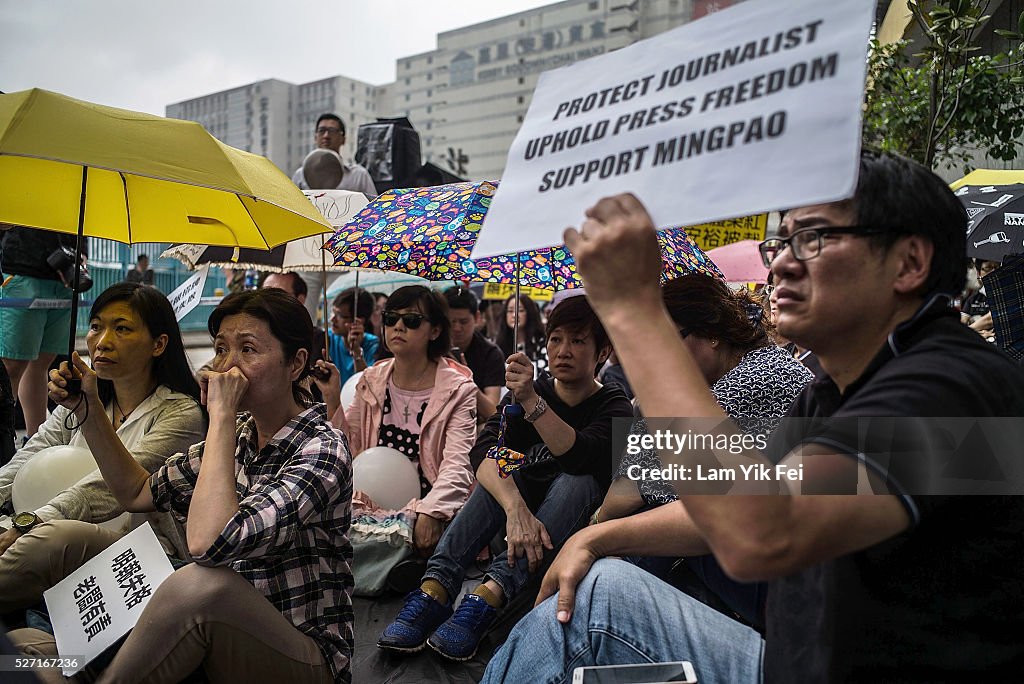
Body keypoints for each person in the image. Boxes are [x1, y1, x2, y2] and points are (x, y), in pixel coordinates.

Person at [483, 151, 1024, 682]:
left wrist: (634, 310)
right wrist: (595, 538)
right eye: (782, 241)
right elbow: (733, 500)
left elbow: (763, 530)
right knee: (595, 587)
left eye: (813, 238)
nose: (783, 263)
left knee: (591, 606)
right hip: (789, 659)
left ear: (908, 263)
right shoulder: (833, 393)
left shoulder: (960, 387)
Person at [14, 288, 355, 683]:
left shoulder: (323, 450)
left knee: (201, 582)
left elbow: (208, 546)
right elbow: (137, 492)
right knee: (63, 539)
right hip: (213, 624)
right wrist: (87, 411)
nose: (227, 367)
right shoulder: (243, 435)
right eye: (222, 349)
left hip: (300, 652)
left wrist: (222, 416)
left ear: (296, 364)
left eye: (248, 350)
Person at [377, 294, 632, 662]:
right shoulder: (532, 391)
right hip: (513, 528)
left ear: (602, 352)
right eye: (556, 338)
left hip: (569, 535)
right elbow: (482, 451)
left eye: (578, 341)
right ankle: (434, 589)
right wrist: (515, 509)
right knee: (499, 471)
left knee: (577, 481)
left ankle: (488, 597)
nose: (564, 350)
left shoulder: (615, 404)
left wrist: (531, 402)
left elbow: (579, 457)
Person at [595, 273, 813, 627]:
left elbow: (633, 487)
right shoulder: (762, 364)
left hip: (786, 587)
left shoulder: (749, 382)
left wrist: (593, 532)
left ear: (712, 334)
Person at [0, 283, 205, 614]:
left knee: (52, 538)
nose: (102, 341)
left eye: (122, 328)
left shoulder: (181, 413)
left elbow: (104, 491)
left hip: (135, 550)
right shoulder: (80, 398)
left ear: (159, 344)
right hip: (50, 527)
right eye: (96, 326)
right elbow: (30, 455)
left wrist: (27, 523)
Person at [319, 286, 477, 596]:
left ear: (434, 330)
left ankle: (378, 564)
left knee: (420, 530)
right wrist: (331, 398)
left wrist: (432, 511)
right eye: (391, 318)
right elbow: (347, 447)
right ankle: (391, 564)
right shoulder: (371, 380)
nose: (398, 327)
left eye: (412, 320)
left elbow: (458, 465)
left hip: (428, 505)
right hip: (369, 502)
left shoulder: (459, 390)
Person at [0, 224, 84, 436]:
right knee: (11, 365)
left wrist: (81, 254)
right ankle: (4, 439)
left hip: (64, 272)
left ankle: (33, 439)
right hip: (23, 268)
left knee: (42, 363)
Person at [444, 286, 505, 422]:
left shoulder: (491, 354)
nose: (457, 328)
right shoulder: (431, 348)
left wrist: (465, 379)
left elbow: (492, 411)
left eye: (463, 322)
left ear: (477, 317)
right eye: (451, 322)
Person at [292, 113, 377, 200]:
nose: (326, 136)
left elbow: (374, 207)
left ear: (343, 139)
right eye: (322, 130)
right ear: (315, 137)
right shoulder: (300, 175)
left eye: (332, 131)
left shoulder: (359, 175)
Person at [329, 287, 380, 387]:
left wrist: (357, 352)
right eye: (333, 313)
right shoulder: (328, 338)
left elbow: (367, 387)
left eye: (341, 316)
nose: (332, 319)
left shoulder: (374, 346)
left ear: (359, 321)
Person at [495, 294, 547, 373]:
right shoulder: (498, 345)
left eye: (520, 310)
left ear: (529, 313)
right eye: (510, 311)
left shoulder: (542, 343)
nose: (514, 315)